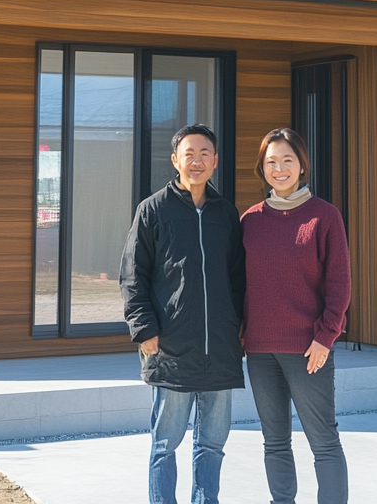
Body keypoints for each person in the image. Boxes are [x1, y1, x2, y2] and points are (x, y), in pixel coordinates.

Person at [121, 124, 245, 504]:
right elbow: (132, 274)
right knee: (165, 445)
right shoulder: (153, 210)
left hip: (221, 350)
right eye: (189, 153)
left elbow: (239, 278)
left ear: (215, 161)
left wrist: (241, 329)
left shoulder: (226, 213)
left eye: (205, 153)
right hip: (171, 348)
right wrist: (144, 330)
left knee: (212, 445)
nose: (197, 161)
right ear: (175, 160)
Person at [241, 128, 351, 504]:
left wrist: (326, 337)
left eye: (287, 159)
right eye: (271, 161)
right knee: (274, 441)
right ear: (263, 169)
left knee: (323, 441)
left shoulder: (324, 217)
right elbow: (242, 286)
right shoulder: (250, 221)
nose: (279, 168)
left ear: (302, 165)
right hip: (259, 350)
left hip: (309, 350)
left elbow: (339, 284)